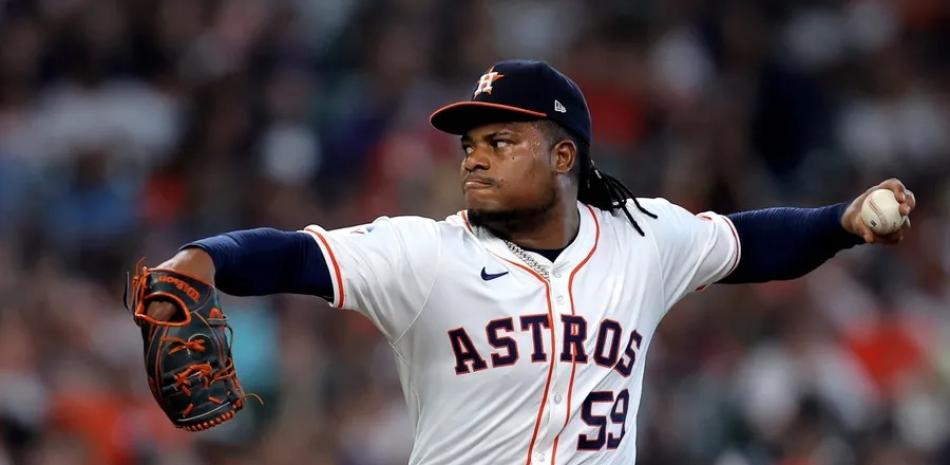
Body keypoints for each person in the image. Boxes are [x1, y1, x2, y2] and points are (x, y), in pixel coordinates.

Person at [143, 60, 915, 464]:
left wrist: (841, 222)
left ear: (564, 155)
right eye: (470, 144)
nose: (474, 159)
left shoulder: (642, 238)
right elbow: (291, 255)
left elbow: (753, 242)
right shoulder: (425, 254)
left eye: (501, 141)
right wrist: (199, 259)